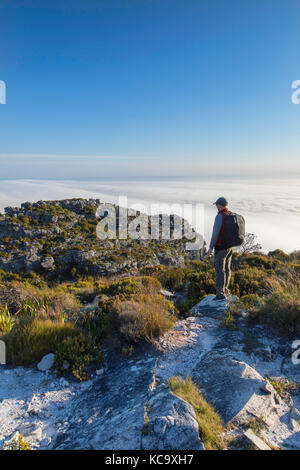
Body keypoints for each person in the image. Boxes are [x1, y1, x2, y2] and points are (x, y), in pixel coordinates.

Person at [207, 197, 233, 300]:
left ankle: (220, 294)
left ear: (220, 205)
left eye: (217, 205)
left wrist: (210, 248)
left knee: (219, 271)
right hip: (230, 248)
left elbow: (215, 234)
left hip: (221, 248)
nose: (216, 207)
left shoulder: (219, 216)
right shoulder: (230, 214)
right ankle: (226, 290)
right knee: (227, 269)